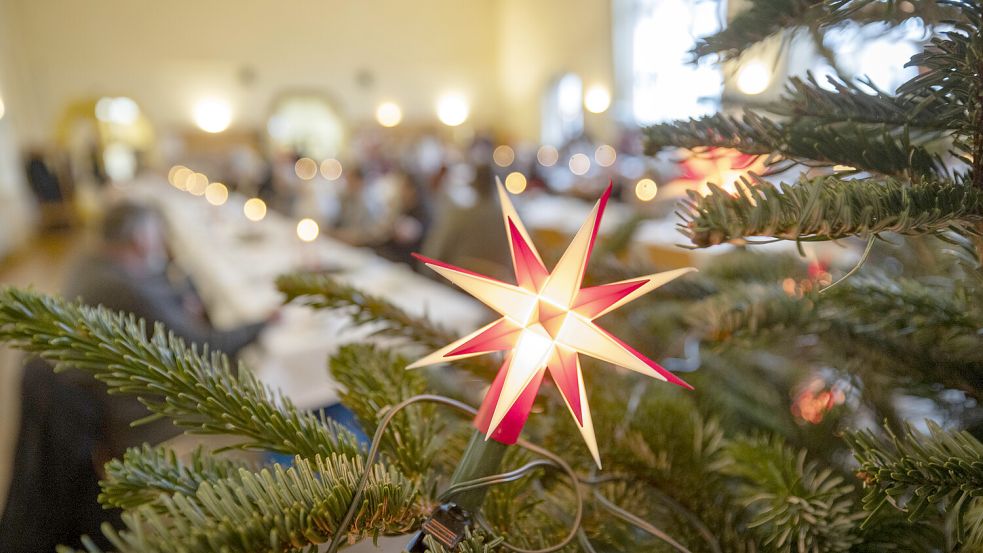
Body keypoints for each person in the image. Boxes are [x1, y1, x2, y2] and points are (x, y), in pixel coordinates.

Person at [0, 201, 271, 552]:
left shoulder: (93, 264)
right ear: (142, 238)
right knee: (254, 395)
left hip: (105, 395)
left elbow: (157, 294)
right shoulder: (120, 287)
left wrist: (182, 299)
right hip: (135, 411)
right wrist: (263, 322)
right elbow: (205, 346)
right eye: (158, 234)